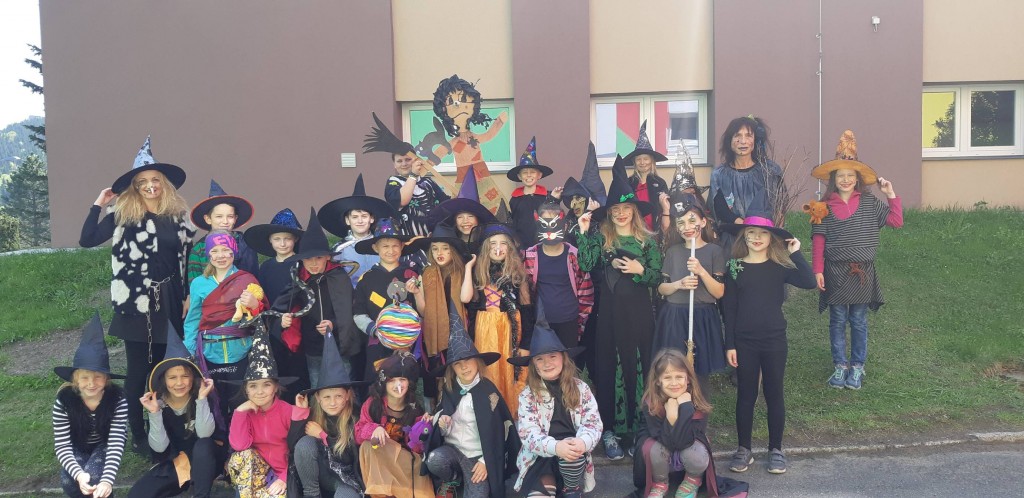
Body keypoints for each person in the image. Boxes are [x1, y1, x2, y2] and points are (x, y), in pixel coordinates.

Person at [79, 136, 194, 452]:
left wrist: (186, 294)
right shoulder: (122, 213)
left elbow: (185, 259)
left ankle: (166, 426)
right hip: (135, 303)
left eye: (155, 180)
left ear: (163, 183)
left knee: (167, 366)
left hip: (170, 298)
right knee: (138, 372)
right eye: (142, 182)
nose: (150, 186)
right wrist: (98, 204)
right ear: (134, 186)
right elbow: (87, 239)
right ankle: (138, 435)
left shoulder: (178, 216)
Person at [576, 155, 662, 460]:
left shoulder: (648, 242)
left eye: (626, 209)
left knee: (637, 366)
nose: (621, 214)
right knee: (609, 368)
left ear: (634, 212)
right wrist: (584, 231)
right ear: (609, 214)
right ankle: (610, 430)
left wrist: (640, 270)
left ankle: (638, 430)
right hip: (609, 316)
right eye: (615, 210)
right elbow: (586, 264)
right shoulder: (603, 239)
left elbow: (657, 278)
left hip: (639, 317)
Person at [720, 217, 816, 475]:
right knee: (746, 394)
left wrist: (796, 253)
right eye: (751, 232)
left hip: (774, 339)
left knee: (774, 393)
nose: (756, 237)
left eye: (763, 233)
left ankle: (776, 449)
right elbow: (729, 309)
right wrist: (730, 344)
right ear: (744, 236)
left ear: (771, 238)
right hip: (744, 341)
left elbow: (809, 282)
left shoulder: (779, 266)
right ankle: (744, 449)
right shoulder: (735, 267)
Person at [811, 130, 904, 390]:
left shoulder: (870, 203)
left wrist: (890, 194)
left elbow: (896, 221)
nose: (846, 180)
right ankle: (840, 366)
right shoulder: (823, 206)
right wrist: (817, 270)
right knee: (838, 319)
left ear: (857, 179)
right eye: (840, 175)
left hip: (862, 272)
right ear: (833, 179)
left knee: (859, 320)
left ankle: (857, 366)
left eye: (850, 175)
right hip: (835, 271)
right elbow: (818, 240)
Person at [422, 305, 521, 498]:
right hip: (452, 450)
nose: (464, 367)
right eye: (458, 364)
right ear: (452, 369)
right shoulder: (449, 390)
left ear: (477, 361)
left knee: (478, 495)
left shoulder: (488, 391)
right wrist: (442, 424)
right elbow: (441, 426)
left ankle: (467, 481)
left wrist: (485, 461)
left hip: (476, 456)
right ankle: (454, 478)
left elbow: (498, 432)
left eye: (468, 360)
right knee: (434, 460)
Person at [127, 326, 226, 498]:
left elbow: (205, 435)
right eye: (172, 377)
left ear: (193, 378)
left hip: (207, 460)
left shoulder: (201, 397)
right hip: (176, 461)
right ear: (164, 381)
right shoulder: (159, 405)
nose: (179, 383)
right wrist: (154, 413)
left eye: (185, 376)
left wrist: (202, 400)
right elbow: (160, 448)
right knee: (137, 494)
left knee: (202, 446)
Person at [635, 349, 745, 498]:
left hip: (687, 446)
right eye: (667, 378)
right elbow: (665, 441)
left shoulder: (695, 401)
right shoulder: (651, 404)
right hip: (660, 451)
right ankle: (660, 483)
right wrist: (671, 415)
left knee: (697, 451)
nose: (674, 383)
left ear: (687, 379)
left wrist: (686, 408)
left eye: (679, 377)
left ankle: (692, 480)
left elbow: (685, 442)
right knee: (653, 449)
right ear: (658, 381)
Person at [184, 231, 268, 423]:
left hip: (240, 351)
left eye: (225, 250)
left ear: (233, 252)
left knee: (241, 400)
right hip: (209, 352)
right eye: (214, 251)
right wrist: (190, 349)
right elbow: (193, 319)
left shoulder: (247, 279)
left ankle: (243, 437)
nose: (220, 256)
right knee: (216, 400)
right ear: (208, 254)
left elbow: (262, 318)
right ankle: (219, 437)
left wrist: (255, 306)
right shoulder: (198, 284)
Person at [511, 324, 602, 498]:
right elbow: (528, 433)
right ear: (533, 365)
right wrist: (555, 447)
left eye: (552, 356)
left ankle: (571, 489)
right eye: (539, 359)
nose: (547, 363)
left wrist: (583, 442)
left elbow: (593, 424)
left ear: (563, 358)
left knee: (573, 454)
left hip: (572, 455)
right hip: (540, 456)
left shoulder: (581, 389)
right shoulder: (528, 395)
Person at [276, 208, 361, 391]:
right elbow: (281, 308)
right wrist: (284, 319)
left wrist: (333, 324)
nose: (313, 263)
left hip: (339, 344)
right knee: (318, 388)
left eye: (319, 258)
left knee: (345, 387)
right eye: (308, 259)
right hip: (312, 347)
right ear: (302, 260)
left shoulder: (339, 277)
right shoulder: (298, 280)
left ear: (328, 257)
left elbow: (350, 309)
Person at [461, 221, 535, 414]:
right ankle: (489, 414)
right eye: (493, 244)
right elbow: (467, 301)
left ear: (509, 248)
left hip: (510, 329)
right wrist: (469, 268)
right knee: (489, 371)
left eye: (503, 243)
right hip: (484, 331)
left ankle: (511, 415)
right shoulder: (479, 274)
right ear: (486, 248)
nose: (498, 248)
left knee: (511, 373)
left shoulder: (518, 275)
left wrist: (525, 344)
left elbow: (527, 311)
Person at [52, 313, 128, 498]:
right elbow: (62, 445)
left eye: (98, 377)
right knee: (69, 481)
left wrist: (107, 480)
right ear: (75, 380)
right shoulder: (64, 401)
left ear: (107, 379)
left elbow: (116, 441)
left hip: (104, 443)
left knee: (95, 476)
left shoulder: (117, 399)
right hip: (76, 445)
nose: (91, 383)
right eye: (85, 378)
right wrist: (79, 475)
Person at [654, 200, 726, 387]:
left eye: (692, 221)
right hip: (675, 315)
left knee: (700, 372)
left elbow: (719, 292)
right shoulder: (673, 252)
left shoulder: (715, 251)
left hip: (703, 316)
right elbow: (662, 289)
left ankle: (699, 404)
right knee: (673, 366)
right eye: (681, 222)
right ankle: (675, 402)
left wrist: (701, 271)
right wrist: (679, 284)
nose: (686, 227)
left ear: (703, 222)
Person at [289, 331, 368, 498]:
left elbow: (348, 459)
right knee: (304, 444)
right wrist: (300, 413)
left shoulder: (356, 417)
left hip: (347, 479)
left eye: (338, 396)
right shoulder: (314, 414)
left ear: (347, 396)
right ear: (318, 398)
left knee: (346, 496)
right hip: (320, 476)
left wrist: (322, 435)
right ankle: (312, 495)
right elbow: (293, 447)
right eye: (326, 397)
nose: (332, 402)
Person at [226, 323, 299, 498]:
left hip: (285, 473)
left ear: (276, 387)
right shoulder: (245, 413)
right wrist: (239, 412)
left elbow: (298, 450)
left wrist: (284, 477)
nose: (259, 392)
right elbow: (239, 446)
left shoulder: (288, 411)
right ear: (246, 390)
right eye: (253, 386)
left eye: (266, 385)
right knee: (241, 456)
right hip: (256, 472)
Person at [352, 218, 425, 381]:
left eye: (395, 245)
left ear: (402, 246)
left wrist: (407, 334)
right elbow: (358, 314)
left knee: (405, 381)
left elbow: (423, 312)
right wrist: (379, 332)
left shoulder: (412, 275)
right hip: (377, 343)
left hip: (407, 344)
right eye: (385, 246)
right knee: (377, 382)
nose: (390, 250)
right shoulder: (366, 279)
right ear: (375, 248)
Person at [406, 223, 470, 407]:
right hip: (433, 333)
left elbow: (465, 299)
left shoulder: (461, 272)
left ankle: (458, 407)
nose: (439, 253)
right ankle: (433, 412)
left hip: (458, 332)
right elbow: (424, 312)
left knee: (457, 372)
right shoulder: (426, 274)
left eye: (445, 248)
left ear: (453, 251)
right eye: (435, 249)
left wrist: (468, 268)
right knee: (433, 374)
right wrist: (417, 293)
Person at [355, 352, 434, 498]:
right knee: (369, 445)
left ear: (409, 382)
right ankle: (380, 494)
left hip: (405, 463)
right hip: (381, 461)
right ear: (384, 383)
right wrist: (374, 428)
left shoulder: (415, 409)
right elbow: (358, 435)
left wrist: (422, 428)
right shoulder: (373, 404)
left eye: (402, 379)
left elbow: (417, 449)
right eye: (392, 380)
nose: (398, 385)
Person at [524, 201, 594, 348]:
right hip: (541, 322)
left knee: (568, 359)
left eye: (555, 224)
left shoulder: (575, 256)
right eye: (544, 225)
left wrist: (580, 323)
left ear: (565, 226)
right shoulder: (529, 256)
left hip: (569, 320)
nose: (550, 231)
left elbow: (586, 292)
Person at [709, 116, 782, 250]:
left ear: (756, 140)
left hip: (765, 237)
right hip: (733, 239)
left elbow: (780, 205)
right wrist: (746, 225)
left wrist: (762, 229)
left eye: (748, 136)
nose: (743, 141)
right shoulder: (719, 174)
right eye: (737, 136)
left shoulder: (770, 171)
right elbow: (720, 209)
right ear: (730, 141)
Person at [319, 173, 397, 287]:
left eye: (364, 216)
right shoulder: (339, 250)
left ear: (371, 219)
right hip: (352, 295)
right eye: (355, 217)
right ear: (347, 220)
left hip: (381, 293)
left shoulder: (382, 245)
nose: (360, 221)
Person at [186, 179, 258, 285]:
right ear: (208, 219)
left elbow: (254, 279)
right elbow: (194, 285)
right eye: (219, 216)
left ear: (235, 218)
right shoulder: (198, 249)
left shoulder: (245, 244)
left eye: (230, 216)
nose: (225, 221)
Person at [384, 153, 449, 268]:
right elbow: (402, 200)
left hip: (433, 244)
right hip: (409, 246)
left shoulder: (428, 182)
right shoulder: (393, 183)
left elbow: (446, 205)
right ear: (394, 164)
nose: (404, 164)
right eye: (399, 161)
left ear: (415, 160)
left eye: (407, 160)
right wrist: (413, 175)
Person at [429, 167, 495, 259]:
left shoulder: (487, 243)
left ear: (477, 219)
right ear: (455, 221)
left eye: (470, 216)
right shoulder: (449, 245)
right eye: (460, 217)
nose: (465, 221)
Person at [243, 208, 304, 304]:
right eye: (277, 239)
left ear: (295, 239)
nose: (282, 244)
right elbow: (263, 297)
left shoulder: (302, 264)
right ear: (270, 240)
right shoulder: (265, 267)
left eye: (287, 239)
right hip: (271, 312)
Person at [507, 136, 559, 248]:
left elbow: (552, 216)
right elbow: (514, 222)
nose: (529, 175)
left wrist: (554, 199)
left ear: (539, 175)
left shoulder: (547, 196)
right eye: (525, 172)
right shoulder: (515, 199)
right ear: (519, 176)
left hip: (543, 244)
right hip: (521, 245)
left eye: (532, 172)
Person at [624, 120, 671, 234]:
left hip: (655, 231)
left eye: (646, 159)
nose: (642, 162)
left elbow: (665, 207)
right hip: (633, 230)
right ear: (634, 162)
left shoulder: (660, 183)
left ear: (652, 161)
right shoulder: (629, 182)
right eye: (638, 159)